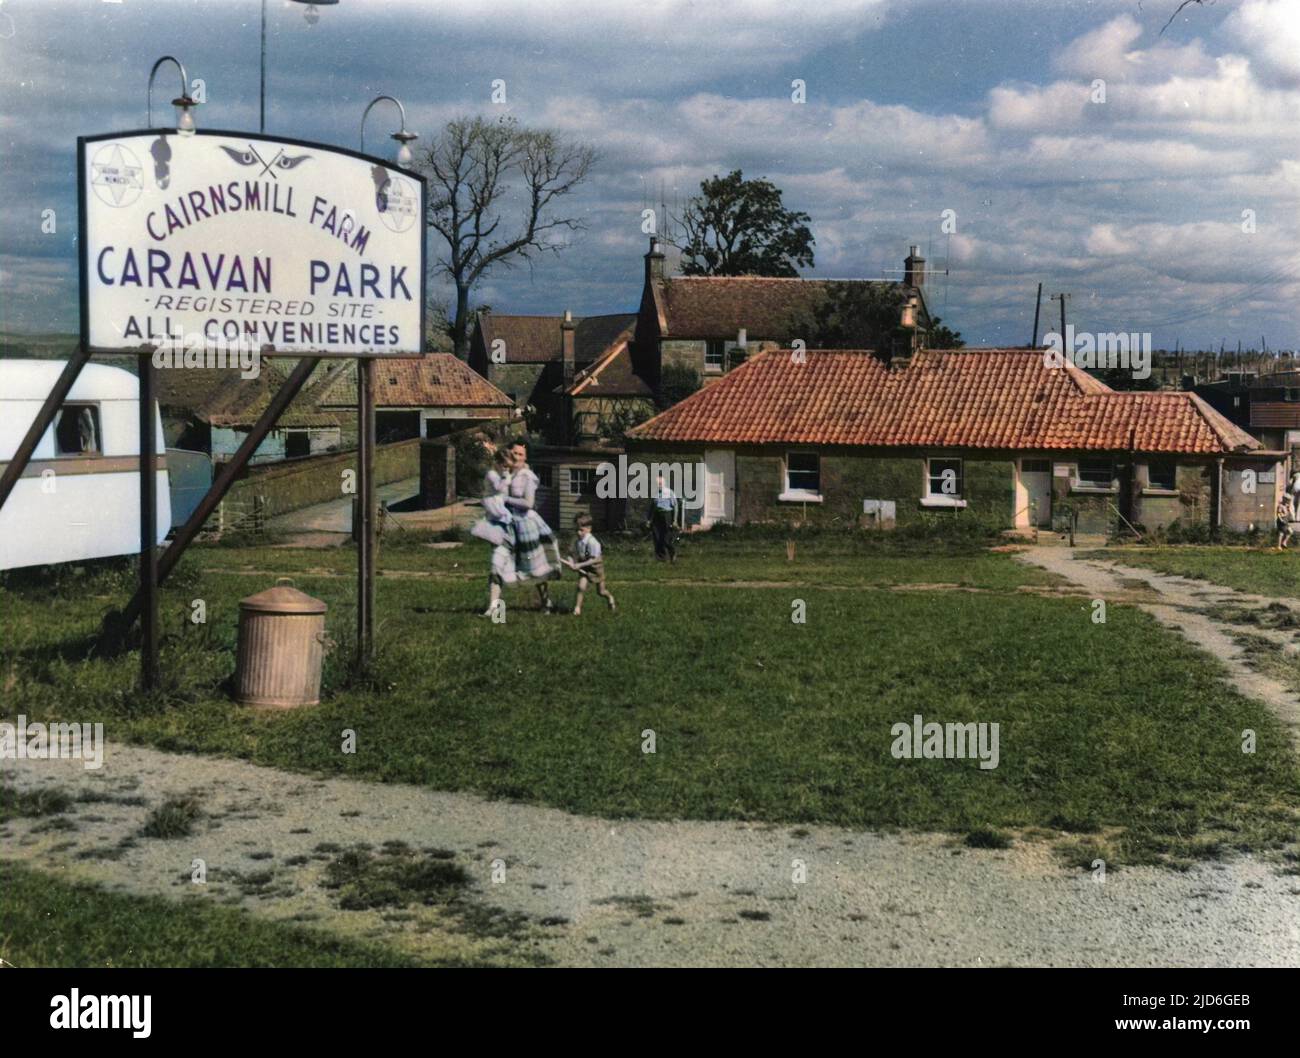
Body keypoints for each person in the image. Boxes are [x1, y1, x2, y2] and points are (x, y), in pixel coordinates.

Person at [503, 440, 562, 612]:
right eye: (515, 453)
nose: (517, 457)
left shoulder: (527, 476)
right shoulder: (506, 473)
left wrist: (505, 499)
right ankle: (494, 607)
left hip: (525, 525)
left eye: (521, 454)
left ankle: (546, 602)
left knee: (536, 567)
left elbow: (528, 503)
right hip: (510, 523)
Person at [564, 514, 616, 615]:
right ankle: (577, 609)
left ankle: (610, 597)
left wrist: (580, 565)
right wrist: (571, 562)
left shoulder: (593, 542)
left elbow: (595, 559)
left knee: (601, 592)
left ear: (589, 529)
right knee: (581, 587)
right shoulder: (576, 540)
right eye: (576, 530)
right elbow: (570, 553)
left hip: (596, 568)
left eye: (581, 530)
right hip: (584, 567)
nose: (578, 533)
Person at [650, 473, 677, 562]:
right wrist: (649, 519)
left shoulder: (669, 492)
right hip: (657, 516)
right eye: (657, 484)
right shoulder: (654, 493)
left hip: (667, 515)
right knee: (657, 537)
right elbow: (652, 507)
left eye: (660, 483)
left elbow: (675, 507)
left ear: (664, 484)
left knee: (666, 538)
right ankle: (661, 557)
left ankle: (672, 553)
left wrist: (675, 520)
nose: (659, 485)